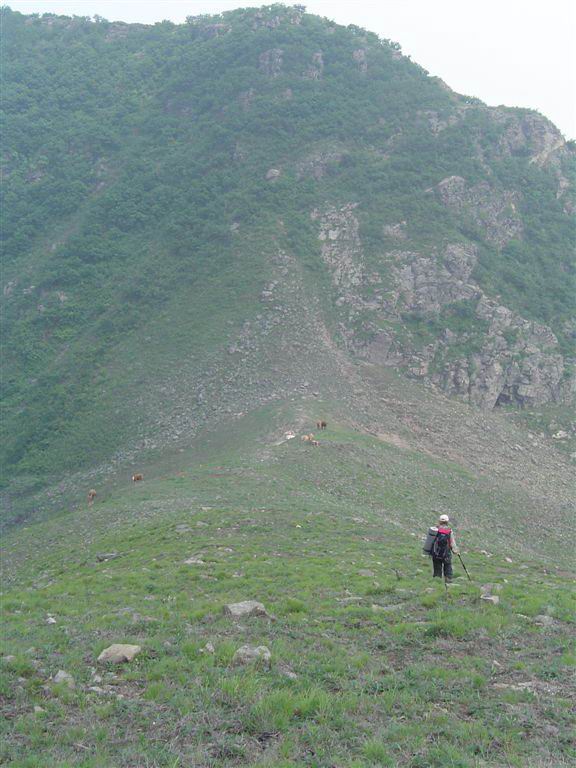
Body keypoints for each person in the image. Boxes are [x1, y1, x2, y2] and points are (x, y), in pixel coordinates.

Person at [430, 514, 459, 581]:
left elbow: (431, 541)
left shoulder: (435, 529)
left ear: (439, 521)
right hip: (446, 554)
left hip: (436, 554)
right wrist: (456, 551)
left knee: (437, 570)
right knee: (448, 568)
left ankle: (437, 582)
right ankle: (448, 581)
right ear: (447, 521)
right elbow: (452, 543)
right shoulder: (449, 531)